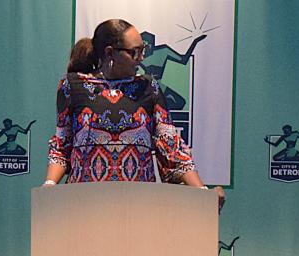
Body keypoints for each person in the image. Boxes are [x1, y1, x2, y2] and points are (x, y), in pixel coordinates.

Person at [43, 19, 224, 210]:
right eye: (134, 52)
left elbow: (170, 145)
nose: (141, 58)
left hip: (139, 206)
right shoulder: (72, 86)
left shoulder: (149, 87)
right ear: (109, 52)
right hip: (85, 205)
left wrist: (202, 192)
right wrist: (49, 186)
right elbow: (62, 144)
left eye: (142, 49)